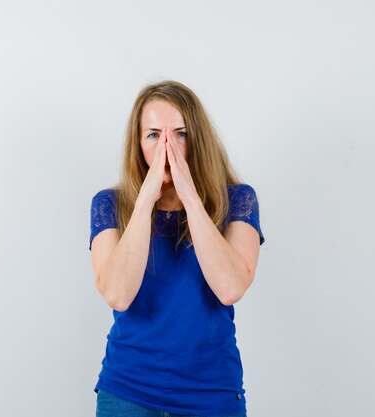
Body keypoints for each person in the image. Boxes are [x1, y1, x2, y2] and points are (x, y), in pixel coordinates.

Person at [89, 80, 265, 417]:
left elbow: (230, 288)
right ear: (138, 144)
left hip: (211, 394)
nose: (167, 146)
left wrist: (190, 196)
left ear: (197, 139)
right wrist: (144, 202)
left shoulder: (238, 200)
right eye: (153, 135)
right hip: (128, 393)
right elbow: (118, 294)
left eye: (180, 134)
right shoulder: (110, 204)